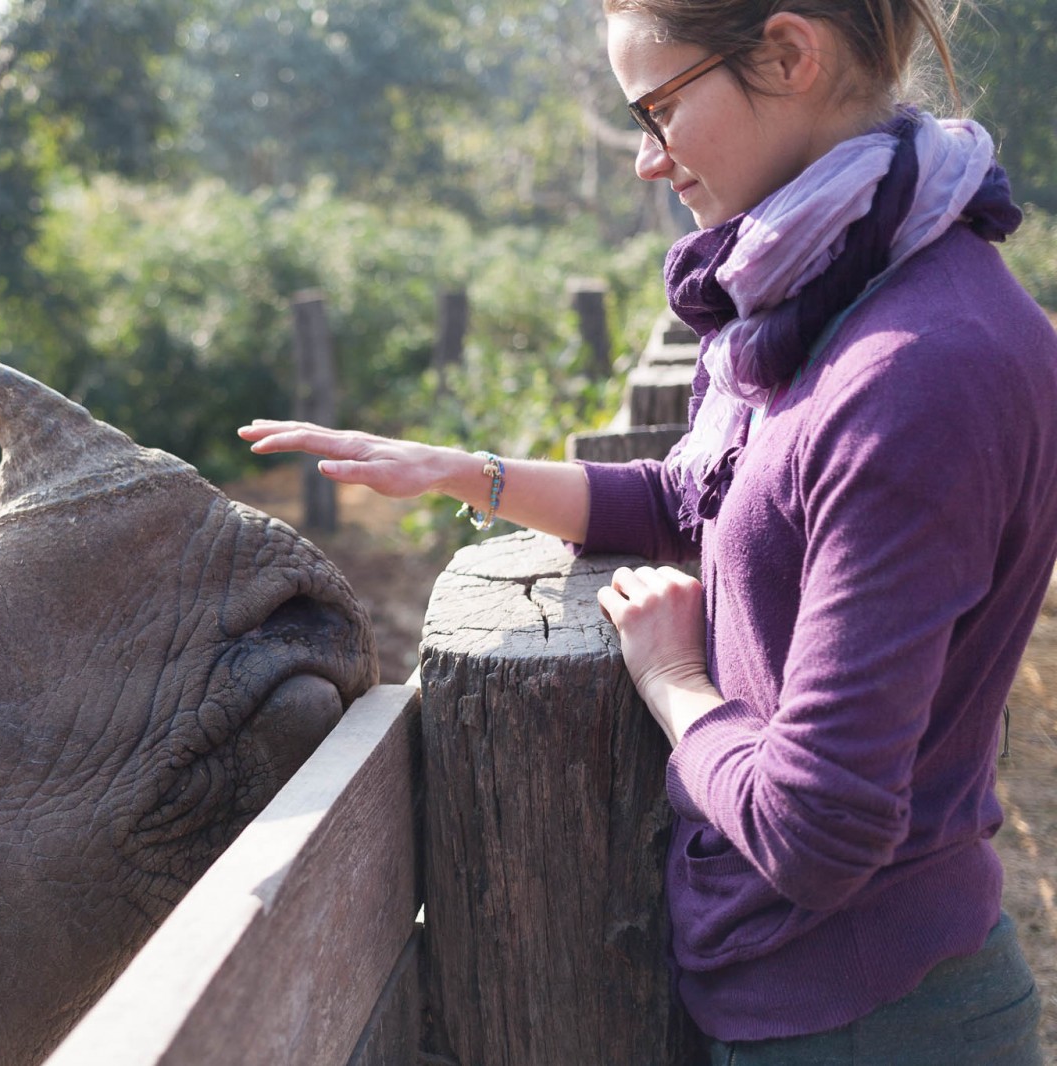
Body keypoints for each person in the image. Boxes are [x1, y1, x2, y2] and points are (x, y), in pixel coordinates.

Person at [239, 2, 1057, 1062]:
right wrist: (464, 473)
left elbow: (816, 829)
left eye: (658, 111)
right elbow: (698, 498)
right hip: (817, 994)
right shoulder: (843, 288)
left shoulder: (915, 371)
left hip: (863, 1014)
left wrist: (672, 679)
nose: (644, 160)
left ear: (787, 54)